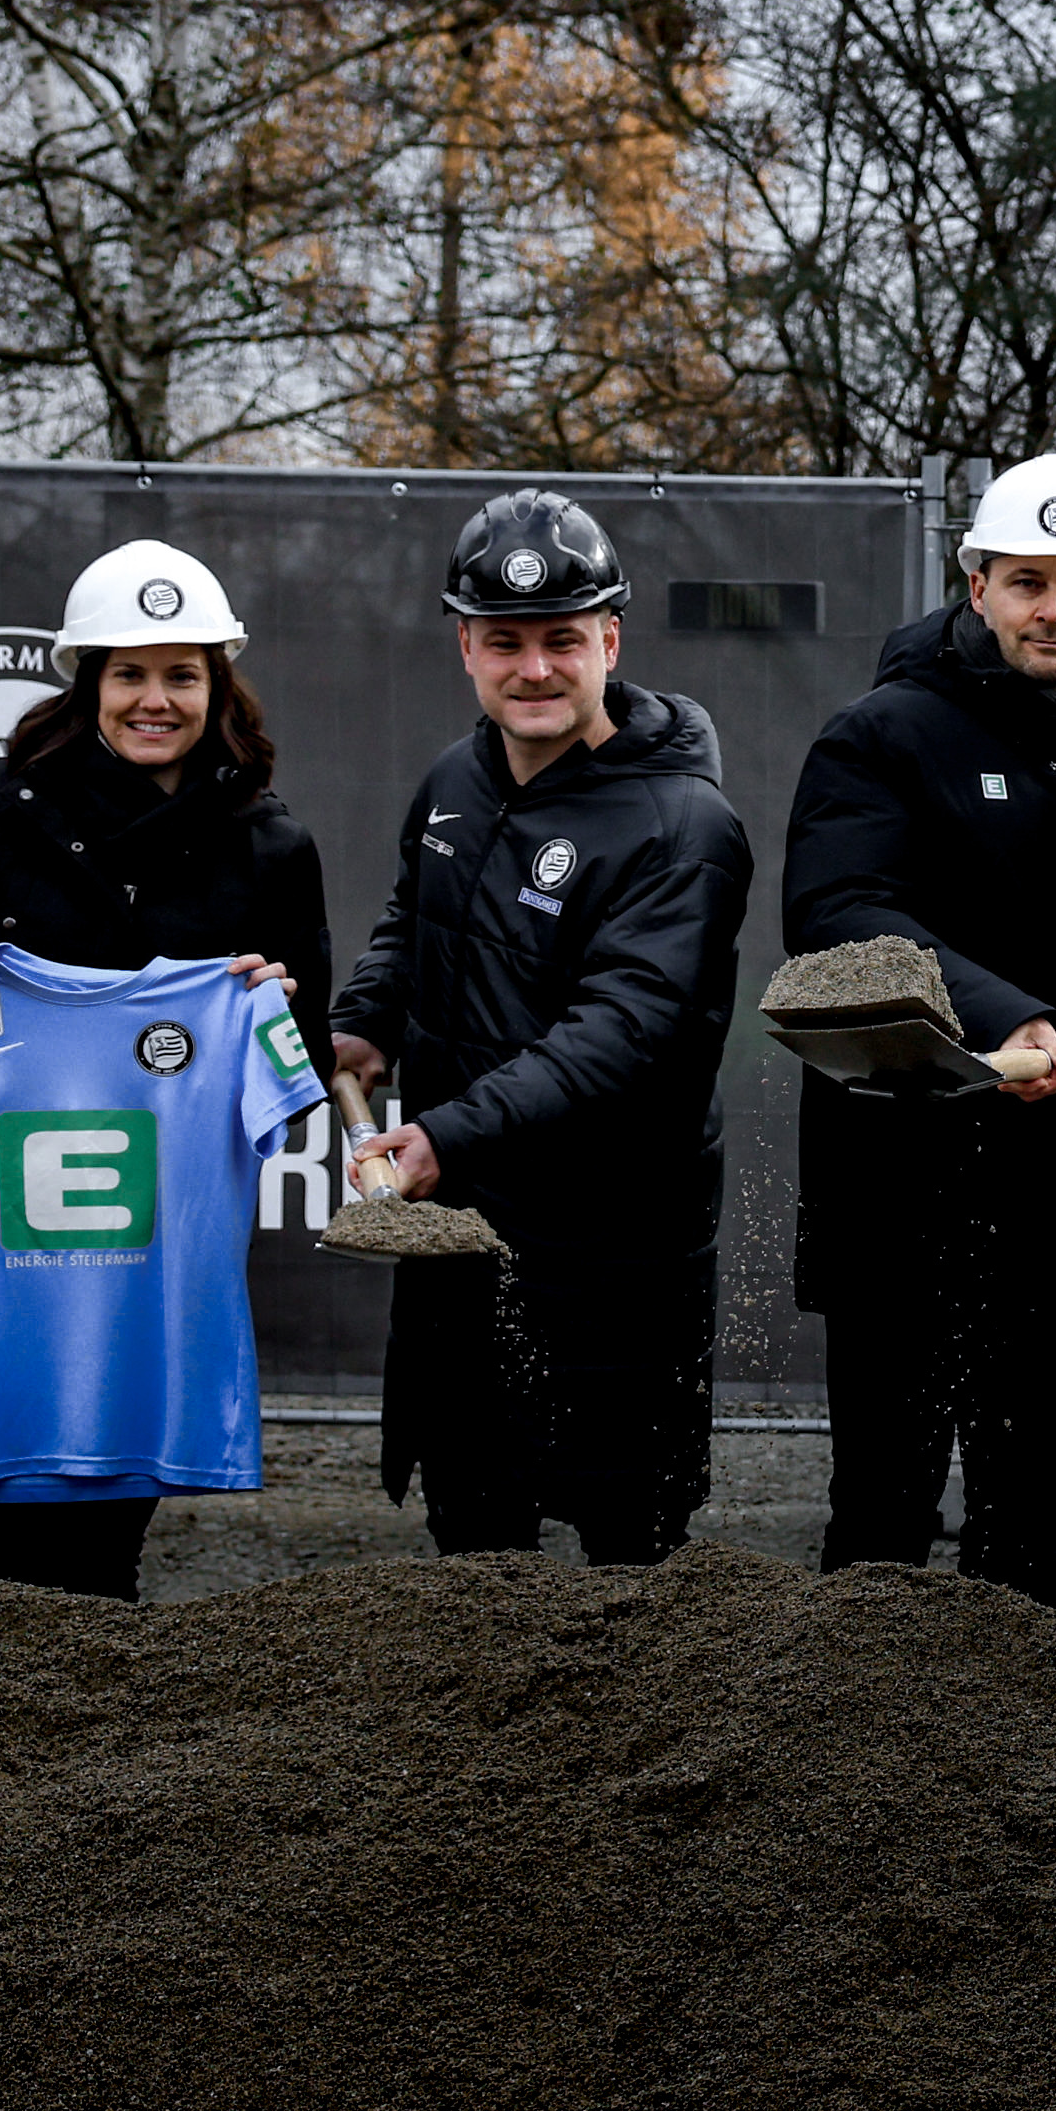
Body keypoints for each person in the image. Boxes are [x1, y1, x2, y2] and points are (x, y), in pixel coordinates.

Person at [0, 540, 329, 1599]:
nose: (156, 700)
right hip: (4, 1266)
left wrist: (275, 1009)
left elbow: (308, 1054)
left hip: (145, 1271)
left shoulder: (269, 845)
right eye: (129, 673)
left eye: (182, 674)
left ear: (218, 685)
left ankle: (86, 1694)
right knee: (8, 1563)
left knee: (103, 1557)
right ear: (88, 681)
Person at [780, 455, 1056, 1608]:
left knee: (1028, 1506)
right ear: (976, 587)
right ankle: (861, 1704)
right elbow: (839, 913)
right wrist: (1012, 1016)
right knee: (885, 1507)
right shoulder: (883, 733)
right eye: (1027, 583)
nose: (1053, 609)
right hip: (900, 1188)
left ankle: (1020, 1710)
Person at [335, 489, 757, 1567]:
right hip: (468, 1243)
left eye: (562, 640)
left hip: (617, 1257)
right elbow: (413, 917)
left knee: (630, 1552)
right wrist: (367, 1021)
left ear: (610, 641)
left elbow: (626, 1030)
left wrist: (446, 1134)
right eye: (505, 642)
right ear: (465, 648)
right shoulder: (455, 777)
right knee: (476, 1540)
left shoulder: (685, 827)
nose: (534, 669)